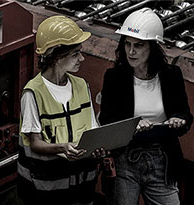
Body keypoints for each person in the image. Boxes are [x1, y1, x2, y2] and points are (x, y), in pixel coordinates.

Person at [99, 8, 193, 205]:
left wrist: (178, 120)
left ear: (152, 47)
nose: (131, 52)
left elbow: (185, 114)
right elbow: (107, 120)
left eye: (138, 46)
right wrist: (134, 124)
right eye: (127, 44)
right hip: (125, 159)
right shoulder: (114, 78)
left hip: (162, 160)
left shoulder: (170, 75)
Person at [17, 16, 105, 205]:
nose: (81, 58)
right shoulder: (33, 93)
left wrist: (98, 147)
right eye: (75, 54)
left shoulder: (81, 86)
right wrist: (62, 147)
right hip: (46, 191)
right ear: (56, 57)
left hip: (81, 188)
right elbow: (35, 143)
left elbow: (92, 129)